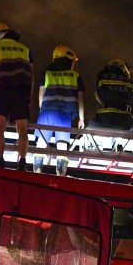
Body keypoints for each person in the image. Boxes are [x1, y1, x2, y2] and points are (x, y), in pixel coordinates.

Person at [0, 22, 34, 170]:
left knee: (0, 126)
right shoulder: (25, 49)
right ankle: (22, 162)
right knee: (22, 129)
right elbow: (32, 74)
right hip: (21, 90)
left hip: (2, 88)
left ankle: (0, 160)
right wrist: (29, 94)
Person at [34, 45, 85, 174]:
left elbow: (40, 94)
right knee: (62, 146)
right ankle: (59, 175)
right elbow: (80, 98)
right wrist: (81, 118)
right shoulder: (75, 76)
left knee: (41, 143)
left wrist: (42, 110)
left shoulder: (47, 73)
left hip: (46, 112)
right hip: (64, 114)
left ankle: (36, 173)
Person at [90, 59, 133, 132]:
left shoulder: (101, 79)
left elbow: (97, 95)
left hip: (104, 117)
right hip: (125, 119)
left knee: (90, 128)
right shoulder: (131, 84)